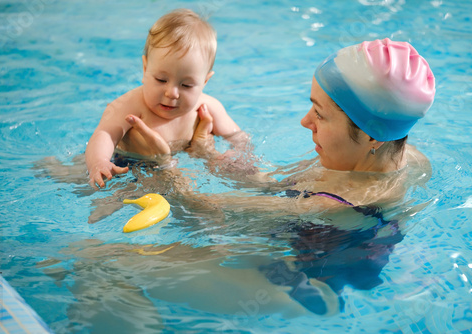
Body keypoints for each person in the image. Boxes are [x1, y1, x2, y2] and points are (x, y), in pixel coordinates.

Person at [126, 38, 436, 315]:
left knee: (105, 265)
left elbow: (209, 209)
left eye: (320, 114)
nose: (305, 121)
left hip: (296, 286)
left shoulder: (340, 204)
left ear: (372, 135)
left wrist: (162, 165)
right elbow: (270, 183)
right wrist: (209, 153)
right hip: (300, 249)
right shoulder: (396, 157)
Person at [85, 8, 243, 190]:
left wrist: (237, 155)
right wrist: (99, 162)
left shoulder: (208, 107)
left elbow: (238, 136)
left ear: (205, 81)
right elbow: (104, 134)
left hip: (174, 167)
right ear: (145, 69)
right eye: (161, 80)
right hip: (125, 165)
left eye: (187, 85)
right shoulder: (129, 105)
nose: (172, 93)